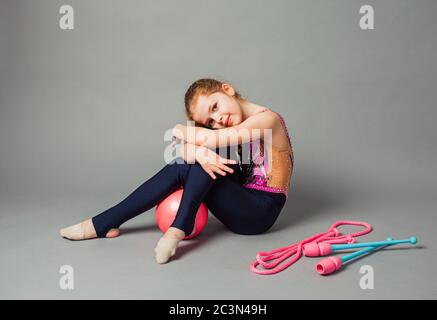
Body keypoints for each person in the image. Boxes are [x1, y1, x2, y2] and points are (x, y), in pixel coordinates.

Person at [60, 78, 294, 264]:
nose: (218, 119)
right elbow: (197, 148)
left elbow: (214, 138)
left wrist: (180, 129)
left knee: (201, 160)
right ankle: (116, 223)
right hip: (242, 197)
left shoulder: (268, 120)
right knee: (201, 160)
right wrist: (199, 152)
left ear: (227, 89)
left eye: (215, 106)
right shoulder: (237, 123)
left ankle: (167, 227)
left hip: (259, 213)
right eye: (210, 121)